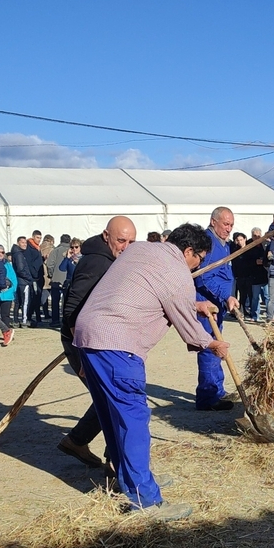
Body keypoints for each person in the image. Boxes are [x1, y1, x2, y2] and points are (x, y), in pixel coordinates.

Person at [73, 223, 229, 520]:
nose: (198, 265)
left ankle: (128, 481)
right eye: (199, 259)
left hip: (89, 337)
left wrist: (194, 304)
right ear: (188, 251)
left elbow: (148, 291)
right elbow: (187, 326)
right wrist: (211, 344)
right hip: (118, 344)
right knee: (133, 420)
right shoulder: (177, 271)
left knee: (112, 417)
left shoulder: (142, 249)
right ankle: (146, 500)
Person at [59, 216, 137, 468]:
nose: (126, 247)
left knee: (108, 397)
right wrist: (82, 354)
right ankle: (116, 464)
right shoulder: (97, 262)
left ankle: (77, 441)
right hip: (84, 342)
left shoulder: (112, 259)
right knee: (114, 400)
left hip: (101, 339)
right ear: (106, 236)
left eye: (131, 242)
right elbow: (72, 308)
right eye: (121, 240)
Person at [194, 207, 241, 411]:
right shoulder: (208, 243)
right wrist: (226, 295)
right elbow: (204, 278)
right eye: (225, 224)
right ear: (213, 222)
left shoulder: (224, 244)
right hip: (206, 304)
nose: (229, 229)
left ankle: (217, 391)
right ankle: (208, 397)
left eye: (231, 225)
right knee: (210, 347)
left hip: (217, 303)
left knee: (218, 345)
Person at [46, 234, 71, 329]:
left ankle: (55, 320)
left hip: (56, 279)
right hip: (68, 280)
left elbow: (50, 264)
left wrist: (52, 274)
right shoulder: (72, 251)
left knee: (55, 301)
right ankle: (66, 320)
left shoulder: (55, 251)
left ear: (60, 241)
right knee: (67, 301)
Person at [0, 247, 18, 328]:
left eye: (2, 252)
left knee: (5, 316)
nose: (0, 254)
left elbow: (14, 279)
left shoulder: (8, 265)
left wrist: (13, 290)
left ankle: (6, 332)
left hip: (7, 294)